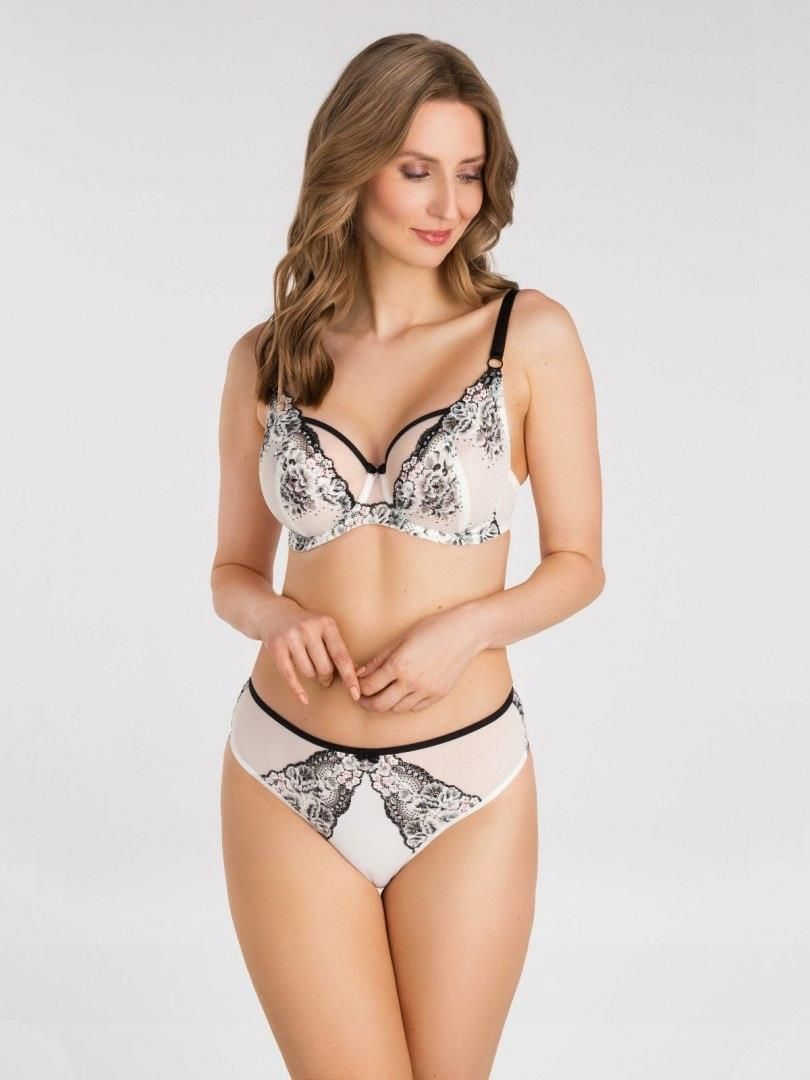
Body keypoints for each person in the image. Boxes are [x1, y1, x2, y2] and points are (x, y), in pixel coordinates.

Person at [211, 32, 605, 1080]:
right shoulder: (269, 358)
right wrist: (276, 616)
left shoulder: (530, 336)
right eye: (416, 169)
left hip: (465, 772)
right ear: (354, 166)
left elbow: (579, 561)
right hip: (284, 769)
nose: (448, 204)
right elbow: (232, 574)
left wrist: (468, 628)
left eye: (469, 172)